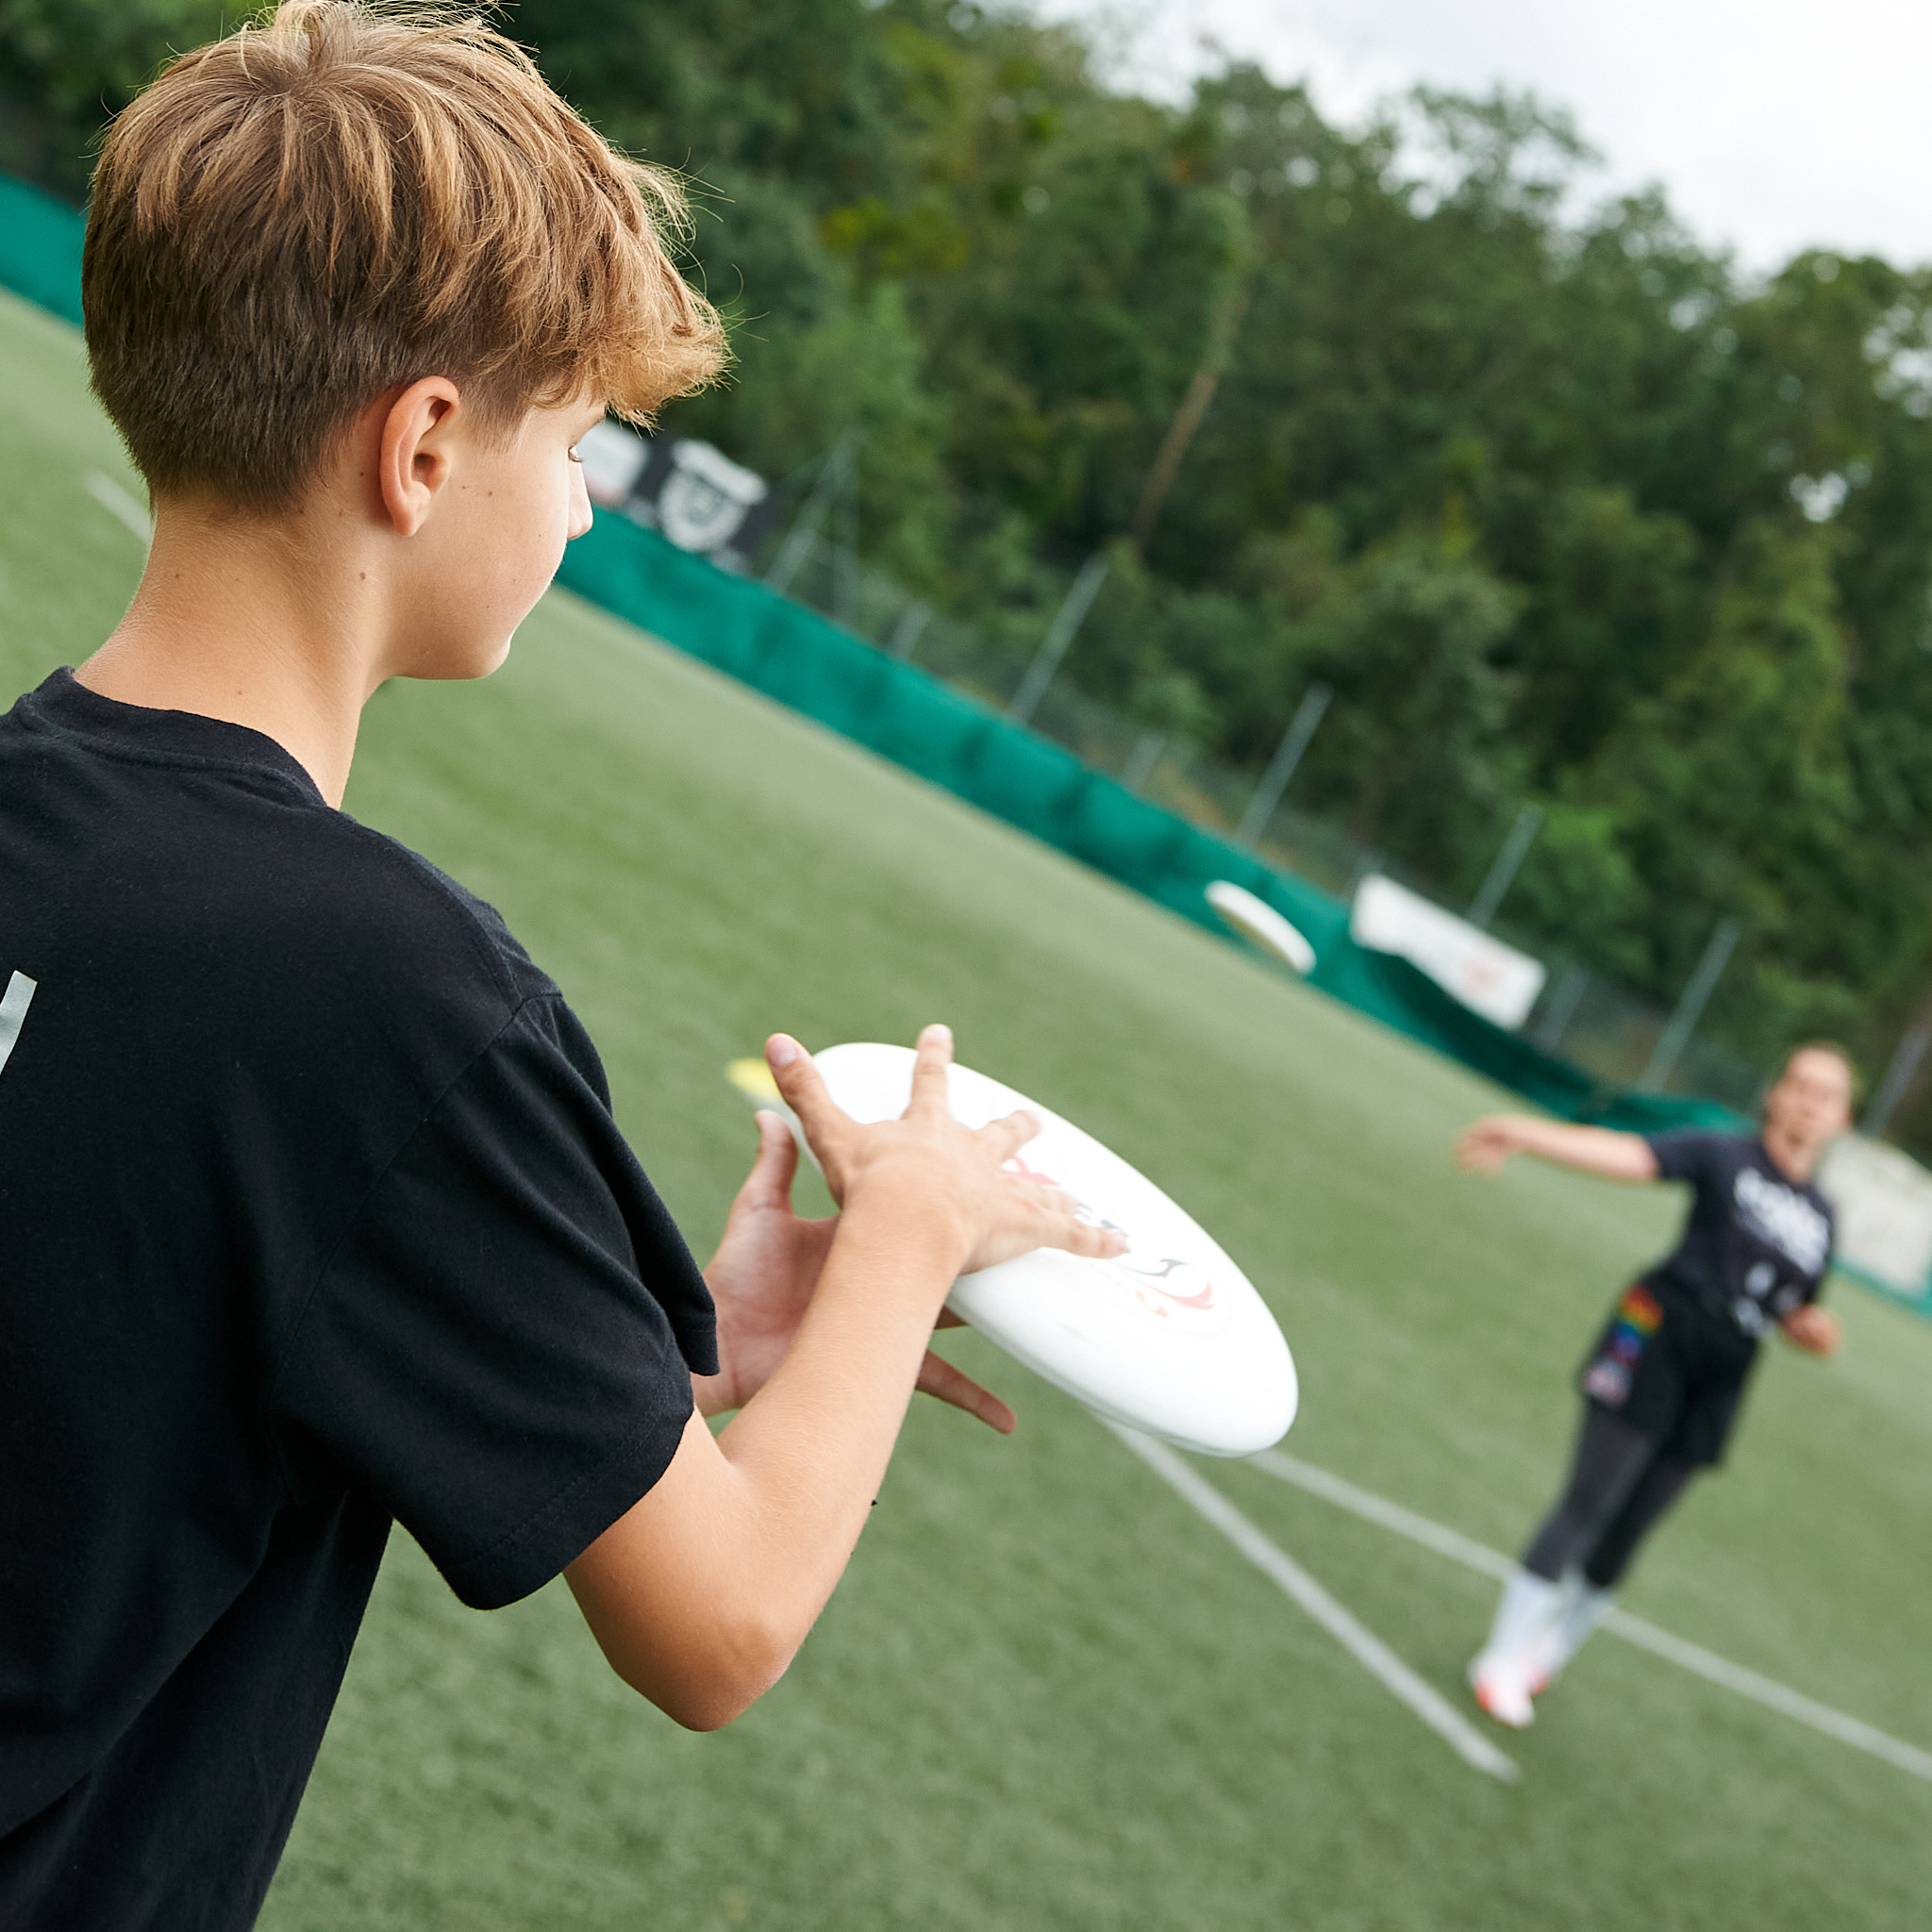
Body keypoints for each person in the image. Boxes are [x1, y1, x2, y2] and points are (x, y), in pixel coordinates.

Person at [0, 7, 1124, 1925]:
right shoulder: (390, 994)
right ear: (426, 445)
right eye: (579, 440)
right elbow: (720, 1623)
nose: (587, 503)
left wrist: (663, 1364)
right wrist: (912, 1228)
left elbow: (130, 1325)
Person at [1453, 1043, 1852, 1728]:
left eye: (1827, 1094)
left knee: (1631, 1530)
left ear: (1842, 1118)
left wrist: (1809, 1331)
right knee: (1590, 1501)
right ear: (1775, 1095)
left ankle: (1548, 1652)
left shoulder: (1822, 1215)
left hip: (1725, 1373)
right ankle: (1499, 1656)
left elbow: (1792, 1306)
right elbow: (1630, 1155)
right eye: (1800, 1086)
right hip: (1657, 1333)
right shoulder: (1723, 1155)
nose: (1810, 1103)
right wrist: (1525, 1134)